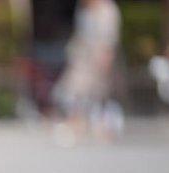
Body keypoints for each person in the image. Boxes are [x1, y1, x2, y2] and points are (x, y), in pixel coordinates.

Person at [52, 0, 122, 144]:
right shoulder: (83, 10)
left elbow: (109, 40)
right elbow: (79, 36)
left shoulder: (107, 10)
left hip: (99, 59)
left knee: (98, 96)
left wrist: (105, 60)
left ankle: (102, 128)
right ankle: (77, 125)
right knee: (74, 92)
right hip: (82, 59)